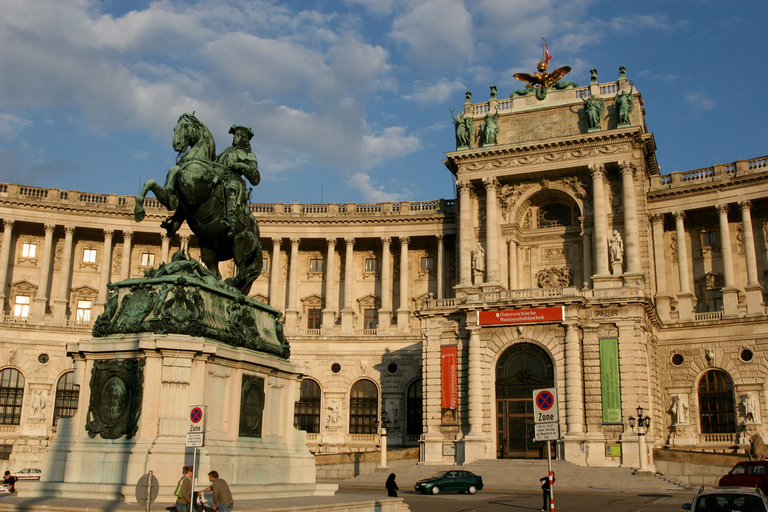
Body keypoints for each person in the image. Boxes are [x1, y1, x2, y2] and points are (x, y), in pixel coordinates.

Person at [216, 125, 260, 239]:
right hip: (218, 180)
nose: (235, 137)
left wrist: (241, 166)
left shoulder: (249, 156)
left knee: (231, 189)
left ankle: (231, 222)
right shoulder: (223, 153)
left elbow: (255, 178)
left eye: (238, 135)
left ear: (244, 138)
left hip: (233, 180)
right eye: (234, 135)